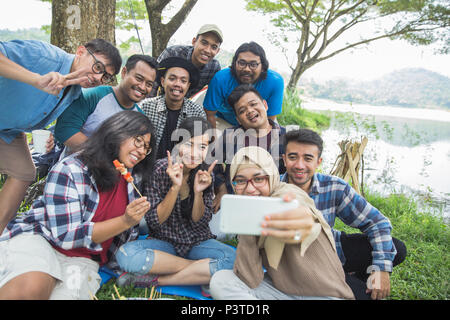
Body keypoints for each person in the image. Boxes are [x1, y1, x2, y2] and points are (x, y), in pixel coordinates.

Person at [0, 111, 156, 300]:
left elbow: (123, 240)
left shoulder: (132, 181)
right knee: (33, 287)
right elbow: (66, 236)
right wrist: (125, 221)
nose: (141, 151)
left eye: (146, 147)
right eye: (138, 141)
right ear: (117, 132)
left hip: (85, 259)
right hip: (43, 240)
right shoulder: (71, 170)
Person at [0, 38, 122, 234]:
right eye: (98, 67)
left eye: (106, 76)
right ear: (80, 51)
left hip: (8, 131)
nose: (99, 77)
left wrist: (45, 136)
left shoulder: (74, 92)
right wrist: (35, 79)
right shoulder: (44, 55)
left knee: (23, 172)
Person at [209, 146, 355, 300]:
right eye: (240, 181)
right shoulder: (249, 210)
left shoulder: (286, 195)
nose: (250, 189)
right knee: (221, 280)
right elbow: (250, 279)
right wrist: (247, 229)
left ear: (271, 176)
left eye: (258, 179)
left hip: (325, 296)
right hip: (283, 292)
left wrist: (301, 221)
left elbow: (300, 210)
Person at [280, 128, 407, 300]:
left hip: (334, 249)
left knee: (397, 249)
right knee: (366, 296)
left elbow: (377, 222)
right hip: (306, 267)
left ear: (318, 162)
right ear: (284, 159)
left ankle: (355, 278)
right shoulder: (272, 190)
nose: (299, 165)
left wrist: (381, 269)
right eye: (293, 157)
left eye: (308, 158)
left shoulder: (334, 187)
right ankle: (348, 284)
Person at [115, 117, 236, 289]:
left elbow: (199, 223)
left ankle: (158, 280)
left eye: (202, 147)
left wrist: (198, 192)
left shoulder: (205, 173)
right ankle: (201, 273)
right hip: (165, 244)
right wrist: (174, 187)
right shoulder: (159, 169)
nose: (194, 153)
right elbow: (155, 222)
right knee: (126, 255)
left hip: (197, 243)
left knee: (233, 259)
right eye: (189, 144)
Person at [54, 54, 158, 153]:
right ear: (124, 72)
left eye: (149, 84)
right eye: (139, 79)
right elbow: (64, 130)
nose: (143, 87)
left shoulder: (140, 118)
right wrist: (102, 155)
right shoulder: (94, 96)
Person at [211, 83, 286, 212]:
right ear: (238, 119)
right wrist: (221, 187)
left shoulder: (286, 138)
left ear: (265, 105)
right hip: (235, 202)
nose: (250, 111)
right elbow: (210, 162)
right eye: (242, 110)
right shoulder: (230, 136)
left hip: (274, 206)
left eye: (253, 104)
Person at [203, 41, 284, 130]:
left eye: (253, 65)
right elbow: (209, 114)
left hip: (260, 120)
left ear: (263, 67)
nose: (247, 69)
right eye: (242, 63)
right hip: (225, 121)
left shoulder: (275, 82)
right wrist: (213, 141)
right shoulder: (220, 79)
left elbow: (269, 119)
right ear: (234, 63)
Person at [140, 57, 207, 160]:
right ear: (162, 81)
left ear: (188, 86)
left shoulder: (197, 112)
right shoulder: (146, 106)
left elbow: (200, 147)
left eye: (183, 81)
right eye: (172, 79)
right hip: (148, 166)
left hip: (182, 167)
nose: (177, 84)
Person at [150, 24, 223, 99]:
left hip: (185, 105)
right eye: (204, 43)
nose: (207, 50)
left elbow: (215, 93)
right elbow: (152, 80)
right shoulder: (173, 53)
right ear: (194, 41)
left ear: (217, 51)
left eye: (214, 47)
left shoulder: (214, 67)